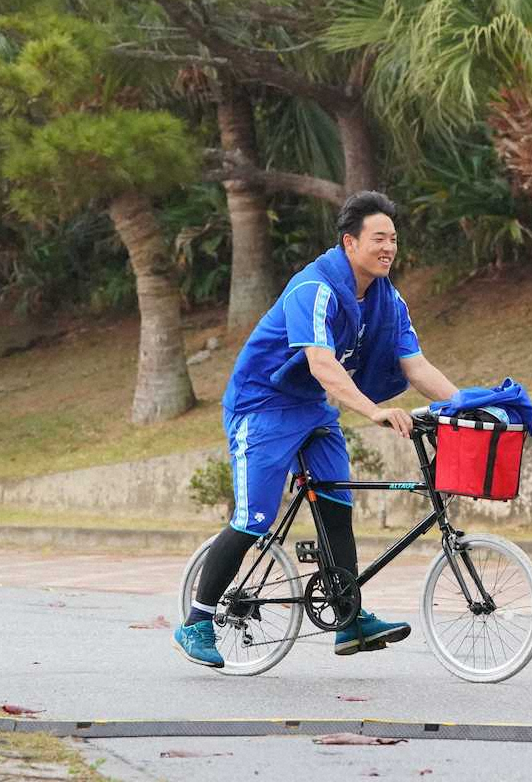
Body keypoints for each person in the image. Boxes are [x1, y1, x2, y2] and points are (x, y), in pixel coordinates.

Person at [173, 191, 459, 668]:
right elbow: (322, 364)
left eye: (394, 239)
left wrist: (467, 406)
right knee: (255, 518)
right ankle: (198, 621)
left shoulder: (388, 300)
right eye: (378, 238)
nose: (389, 247)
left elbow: (415, 365)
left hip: (311, 409)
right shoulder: (314, 288)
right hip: (261, 407)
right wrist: (373, 411)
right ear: (350, 242)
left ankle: (348, 618)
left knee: (335, 508)